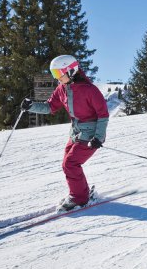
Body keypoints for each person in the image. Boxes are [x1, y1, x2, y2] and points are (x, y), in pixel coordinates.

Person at [20, 55, 109, 211]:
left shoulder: (90, 90)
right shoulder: (62, 89)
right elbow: (49, 107)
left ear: (71, 70)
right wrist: (31, 106)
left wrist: (99, 137)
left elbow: (103, 114)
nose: (57, 78)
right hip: (75, 133)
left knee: (71, 163)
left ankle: (80, 198)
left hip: (91, 135)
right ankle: (81, 192)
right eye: (55, 74)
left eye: (59, 74)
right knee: (67, 163)